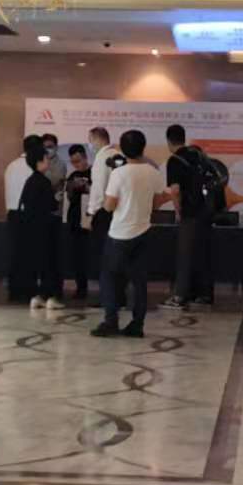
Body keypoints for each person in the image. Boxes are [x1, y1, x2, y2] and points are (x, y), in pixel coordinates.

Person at [94, 129, 164, 339]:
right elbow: (157, 203)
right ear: (143, 147)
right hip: (143, 231)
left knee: (109, 276)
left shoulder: (119, 173)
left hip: (119, 233)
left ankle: (111, 321)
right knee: (139, 280)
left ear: (123, 150)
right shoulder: (153, 172)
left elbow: (109, 206)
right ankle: (137, 324)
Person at [162, 124, 213, 312]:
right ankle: (204, 295)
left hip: (189, 212)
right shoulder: (198, 155)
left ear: (169, 141)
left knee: (184, 255)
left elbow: (175, 190)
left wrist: (178, 211)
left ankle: (180, 296)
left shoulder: (174, 160)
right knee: (202, 253)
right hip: (205, 211)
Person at [13, 135, 63, 308]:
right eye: (45, 158)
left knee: (36, 263)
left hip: (30, 229)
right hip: (45, 229)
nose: (48, 161)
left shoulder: (30, 181)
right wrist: (57, 198)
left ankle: (37, 297)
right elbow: (51, 205)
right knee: (49, 263)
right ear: (39, 162)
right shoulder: (44, 181)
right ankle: (50, 298)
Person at [85, 126, 120, 298]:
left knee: (103, 255)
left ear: (97, 139)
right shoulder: (117, 155)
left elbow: (98, 189)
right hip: (117, 211)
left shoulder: (101, 158)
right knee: (115, 255)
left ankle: (107, 297)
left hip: (103, 212)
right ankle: (117, 296)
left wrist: (91, 213)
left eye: (90, 140)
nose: (90, 144)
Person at [63, 144, 94, 300]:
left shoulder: (94, 172)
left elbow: (98, 193)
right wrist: (71, 187)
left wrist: (87, 186)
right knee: (77, 255)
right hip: (75, 219)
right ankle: (81, 287)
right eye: (73, 162)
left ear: (85, 157)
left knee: (92, 253)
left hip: (90, 218)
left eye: (78, 160)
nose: (77, 164)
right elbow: (69, 196)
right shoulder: (73, 175)